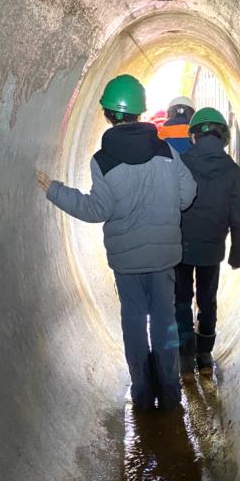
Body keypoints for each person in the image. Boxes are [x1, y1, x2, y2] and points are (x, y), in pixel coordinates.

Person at [36, 74, 196, 411]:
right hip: (164, 256)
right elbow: (187, 195)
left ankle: (141, 392)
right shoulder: (166, 150)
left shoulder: (102, 160)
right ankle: (170, 395)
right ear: (140, 112)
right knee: (166, 325)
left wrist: (55, 190)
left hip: (127, 264)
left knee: (135, 325)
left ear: (109, 113)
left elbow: (96, 209)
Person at [174, 107, 240, 378]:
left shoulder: (180, 162)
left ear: (194, 135)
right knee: (207, 299)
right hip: (212, 249)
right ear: (223, 136)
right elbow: (239, 217)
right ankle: (204, 354)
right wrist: (237, 254)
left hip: (180, 247)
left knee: (180, 299)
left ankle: (184, 356)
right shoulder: (231, 170)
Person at [159, 96, 240, 180]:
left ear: (169, 114)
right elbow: (221, 164)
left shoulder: (159, 139)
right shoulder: (198, 138)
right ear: (193, 115)